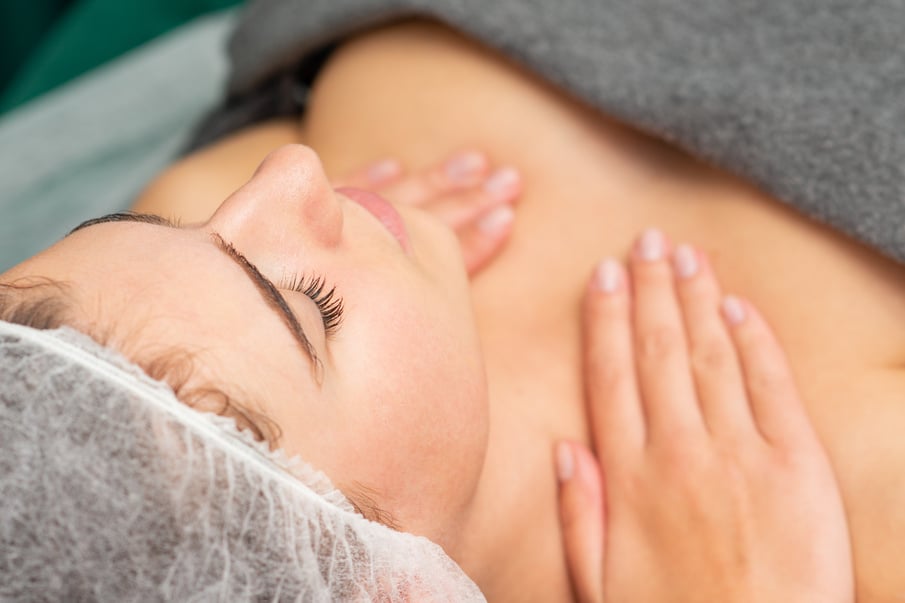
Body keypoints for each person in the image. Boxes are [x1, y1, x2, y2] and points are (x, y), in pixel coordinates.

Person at [3, 0, 902, 598]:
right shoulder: (854, 508)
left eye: (157, 222)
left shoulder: (208, 197)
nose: (292, 177)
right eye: (311, 304)